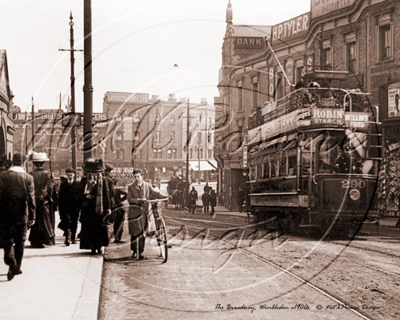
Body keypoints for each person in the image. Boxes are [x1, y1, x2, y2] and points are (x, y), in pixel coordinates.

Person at [0, 153, 36, 281]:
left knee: (7, 239)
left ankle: (11, 261)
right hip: (22, 214)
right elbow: (31, 199)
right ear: (24, 163)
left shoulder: (2, 176)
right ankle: (16, 266)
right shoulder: (28, 178)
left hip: (5, 214)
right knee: (20, 241)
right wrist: (32, 216)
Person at [127, 169, 169, 260]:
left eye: (138, 176)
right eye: (135, 177)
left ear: (142, 176)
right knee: (135, 233)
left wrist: (165, 196)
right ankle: (134, 251)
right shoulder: (130, 187)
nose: (136, 178)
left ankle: (140, 252)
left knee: (142, 232)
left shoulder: (147, 185)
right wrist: (139, 200)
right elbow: (129, 199)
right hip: (134, 212)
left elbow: (155, 193)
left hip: (144, 212)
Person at [78, 159, 111, 254]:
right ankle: (92, 247)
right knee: (90, 229)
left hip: (100, 209)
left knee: (99, 229)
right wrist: (85, 196)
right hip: (88, 209)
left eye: (96, 173)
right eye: (92, 173)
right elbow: (79, 194)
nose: (94, 175)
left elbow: (106, 194)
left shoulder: (103, 180)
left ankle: (99, 246)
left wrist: (108, 208)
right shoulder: (84, 180)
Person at [28, 152, 54, 248]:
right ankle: (42, 239)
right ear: (43, 163)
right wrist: (48, 197)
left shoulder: (30, 174)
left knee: (35, 219)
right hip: (42, 200)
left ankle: (34, 240)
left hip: (33, 199)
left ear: (34, 163)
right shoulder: (47, 174)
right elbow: (50, 188)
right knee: (43, 220)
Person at [58, 168, 81, 246]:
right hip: (65, 208)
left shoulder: (77, 184)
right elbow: (60, 197)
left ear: (74, 175)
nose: (70, 177)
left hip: (75, 208)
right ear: (66, 176)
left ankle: (73, 238)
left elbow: (80, 196)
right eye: (68, 175)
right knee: (67, 222)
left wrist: (79, 206)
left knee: (74, 223)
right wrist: (60, 208)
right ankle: (67, 239)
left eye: (71, 175)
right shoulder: (63, 184)